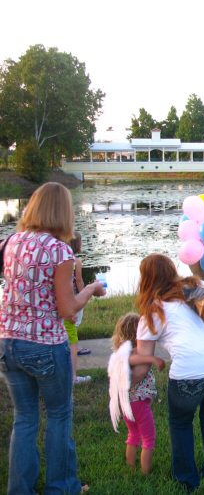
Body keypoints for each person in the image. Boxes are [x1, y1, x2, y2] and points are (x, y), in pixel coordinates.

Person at [0, 182, 106, 495]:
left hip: (7, 342)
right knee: (59, 415)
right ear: (63, 212)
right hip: (45, 344)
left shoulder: (11, 241)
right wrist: (90, 290)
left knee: (25, 418)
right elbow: (68, 310)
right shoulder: (59, 249)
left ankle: (20, 489)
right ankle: (62, 487)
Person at [134, 253, 204, 491]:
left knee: (181, 421)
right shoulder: (195, 286)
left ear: (145, 279)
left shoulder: (153, 311)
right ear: (173, 271)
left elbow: (143, 365)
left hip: (193, 371)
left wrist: (123, 385)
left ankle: (186, 480)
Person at [109, 313, 165, 475]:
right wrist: (153, 359)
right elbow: (131, 360)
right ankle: (145, 473)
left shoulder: (120, 353)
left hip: (127, 403)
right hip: (138, 402)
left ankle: (131, 467)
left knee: (134, 434)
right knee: (149, 438)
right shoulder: (130, 353)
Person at [63, 232, 91, 384]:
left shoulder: (60, 260)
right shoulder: (76, 261)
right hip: (74, 300)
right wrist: (84, 294)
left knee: (67, 329)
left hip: (62, 301)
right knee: (74, 328)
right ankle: (73, 375)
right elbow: (79, 280)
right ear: (77, 245)